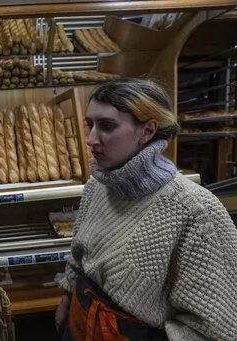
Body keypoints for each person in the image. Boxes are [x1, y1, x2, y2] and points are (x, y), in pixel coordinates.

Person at [54, 78, 237, 341]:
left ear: (148, 131)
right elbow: (79, 256)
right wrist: (66, 298)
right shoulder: (97, 185)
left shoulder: (195, 210)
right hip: (81, 319)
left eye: (106, 126)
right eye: (90, 124)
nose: (90, 139)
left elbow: (216, 327)